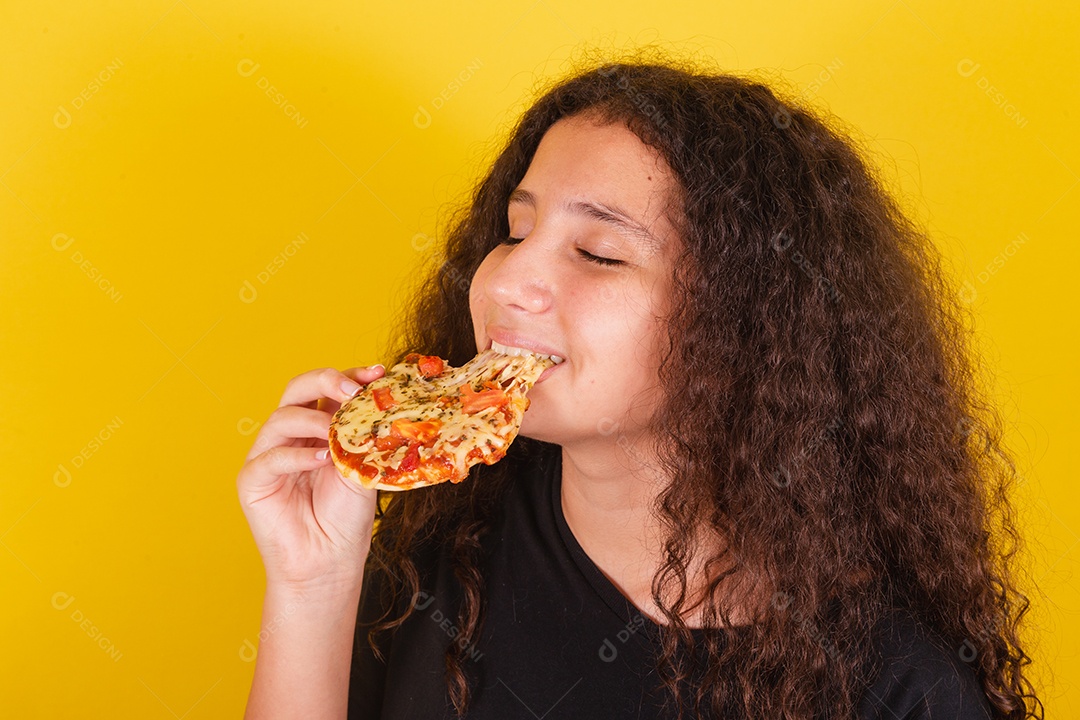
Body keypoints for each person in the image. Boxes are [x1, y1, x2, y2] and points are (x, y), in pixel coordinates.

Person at [237, 58, 1044, 719]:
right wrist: (312, 586)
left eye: (598, 253)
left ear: (741, 327)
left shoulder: (895, 687)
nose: (508, 278)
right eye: (515, 231)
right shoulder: (440, 554)